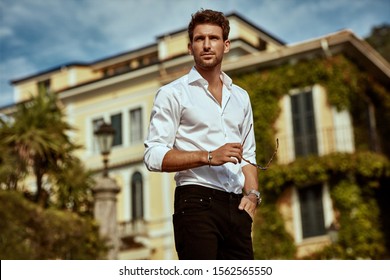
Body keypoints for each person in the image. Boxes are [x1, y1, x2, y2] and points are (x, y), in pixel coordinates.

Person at [144, 9, 260, 260]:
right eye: (199, 39)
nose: (207, 45)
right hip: (196, 202)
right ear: (190, 47)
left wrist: (252, 195)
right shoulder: (172, 94)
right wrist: (207, 156)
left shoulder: (241, 97)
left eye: (214, 38)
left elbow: (248, 156)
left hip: (237, 209)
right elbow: (153, 155)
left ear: (226, 45)